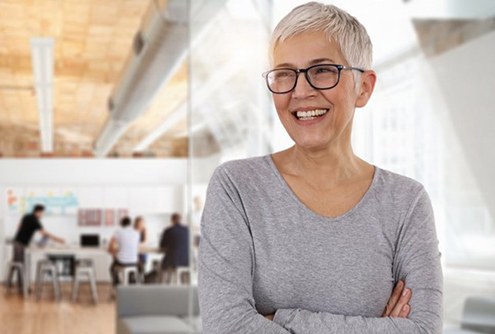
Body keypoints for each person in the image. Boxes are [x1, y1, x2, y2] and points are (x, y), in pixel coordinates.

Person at [198, 2, 443, 333]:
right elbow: (226, 326)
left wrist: (284, 318)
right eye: (285, 74)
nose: (300, 91)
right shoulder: (236, 188)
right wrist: (377, 328)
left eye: (323, 70)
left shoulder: (407, 202)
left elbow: (425, 330)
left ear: (364, 87)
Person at [8, 204, 65, 291]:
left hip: (17, 242)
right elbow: (45, 233)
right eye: (42, 213)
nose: (42, 215)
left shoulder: (26, 216)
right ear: (38, 212)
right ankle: (22, 288)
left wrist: (27, 233)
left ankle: (11, 284)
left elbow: (19, 226)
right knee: (20, 265)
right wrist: (58, 239)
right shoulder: (35, 220)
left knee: (17, 264)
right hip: (20, 244)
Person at [108, 216, 140, 286]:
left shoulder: (118, 231)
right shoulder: (136, 233)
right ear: (130, 224)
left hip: (122, 262)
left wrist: (114, 254)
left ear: (121, 224)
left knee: (112, 268)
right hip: (134, 262)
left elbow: (110, 246)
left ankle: (117, 285)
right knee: (133, 266)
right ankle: (131, 282)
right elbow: (135, 246)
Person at [159, 213, 189, 282]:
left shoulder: (168, 230)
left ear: (172, 220)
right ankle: (185, 285)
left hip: (172, 260)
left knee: (162, 267)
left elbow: (162, 245)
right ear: (181, 220)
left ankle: (163, 287)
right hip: (186, 260)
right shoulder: (187, 230)